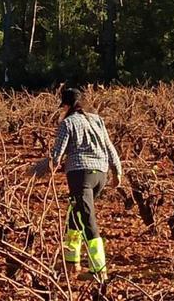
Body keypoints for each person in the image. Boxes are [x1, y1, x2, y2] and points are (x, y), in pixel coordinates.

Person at [50, 87, 122, 280]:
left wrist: (47, 168)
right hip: (101, 174)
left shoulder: (68, 123)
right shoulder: (96, 119)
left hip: (80, 175)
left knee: (88, 221)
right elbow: (109, 146)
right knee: (75, 215)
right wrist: (117, 172)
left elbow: (57, 154)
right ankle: (71, 261)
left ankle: (99, 270)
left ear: (66, 105)